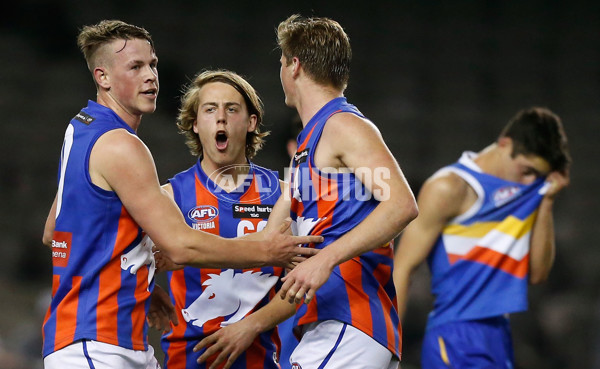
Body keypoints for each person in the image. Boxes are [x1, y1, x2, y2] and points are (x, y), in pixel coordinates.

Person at [41, 20, 321, 369]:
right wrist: (265, 250)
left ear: (251, 120)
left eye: (153, 64)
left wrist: (138, 281)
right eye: (135, 67)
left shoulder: (80, 129)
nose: (151, 76)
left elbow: (54, 230)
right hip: (98, 343)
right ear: (103, 78)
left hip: (108, 342)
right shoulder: (122, 146)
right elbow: (179, 246)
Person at [194, 14, 419, 369]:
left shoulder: (344, 125)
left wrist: (324, 260)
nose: (281, 71)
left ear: (294, 65)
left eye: (282, 62)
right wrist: (179, 251)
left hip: (352, 319)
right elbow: (266, 242)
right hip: (329, 325)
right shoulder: (307, 146)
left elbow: (403, 205)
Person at [393, 107, 571, 368]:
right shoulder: (449, 188)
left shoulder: (527, 192)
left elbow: (537, 275)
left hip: (499, 334)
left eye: (537, 175)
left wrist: (547, 202)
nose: (530, 180)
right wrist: (389, 346)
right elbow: (404, 268)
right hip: (455, 335)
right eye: (526, 170)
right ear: (504, 143)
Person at [157, 69, 291, 369]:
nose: (221, 118)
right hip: (188, 360)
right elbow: (126, 258)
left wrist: (252, 325)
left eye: (232, 109)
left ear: (251, 122)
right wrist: (149, 289)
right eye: (210, 109)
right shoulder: (169, 196)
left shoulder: (283, 195)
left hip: (260, 359)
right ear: (194, 123)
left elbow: (304, 283)